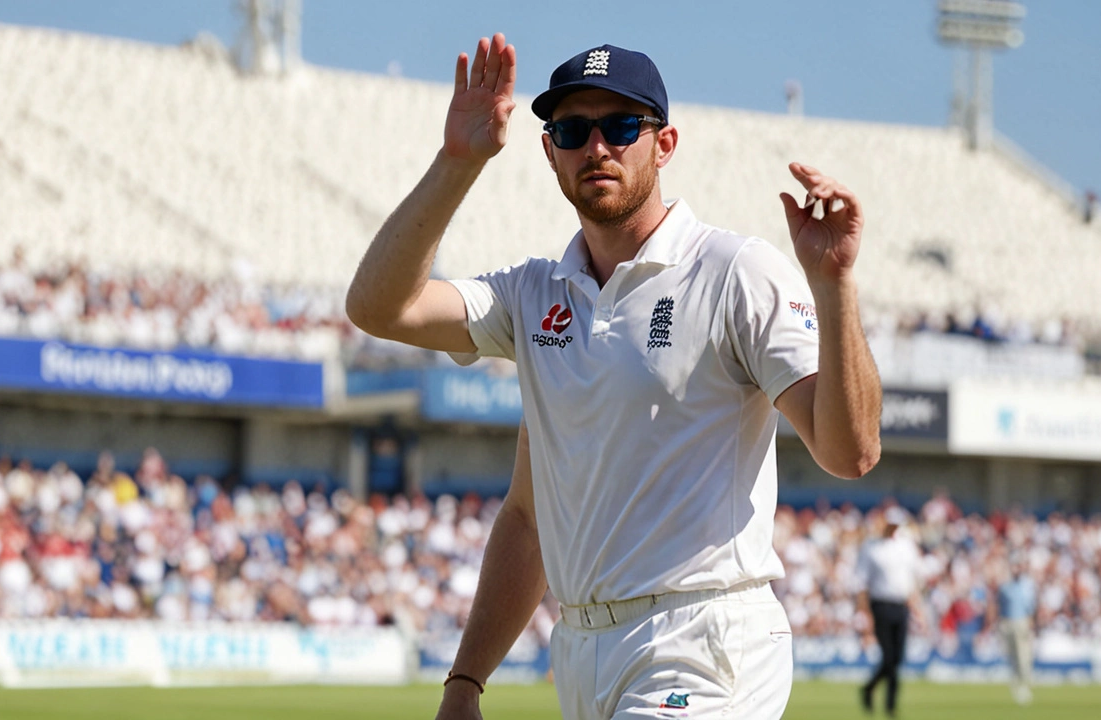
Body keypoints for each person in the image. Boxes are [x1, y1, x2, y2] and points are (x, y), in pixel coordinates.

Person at [345, 35, 882, 720]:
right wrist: (465, 682)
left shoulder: (733, 270)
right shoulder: (532, 294)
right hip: (581, 651)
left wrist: (834, 285)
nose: (596, 146)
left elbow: (851, 451)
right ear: (548, 151)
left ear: (664, 143)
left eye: (621, 126)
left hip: (703, 636)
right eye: (572, 129)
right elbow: (380, 309)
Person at [857, 506, 922, 717]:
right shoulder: (872, 547)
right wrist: (864, 612)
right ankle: (890, 706)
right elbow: (862, 583)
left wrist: (917, 608)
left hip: (900, 605)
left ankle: (871, 689)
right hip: (881, 605)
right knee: (889, 656)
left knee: (897, 658)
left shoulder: (906, 547)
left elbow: (911, 581)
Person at [997, 558, 1037, 705]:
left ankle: (1024, 684)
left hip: (1022, 623)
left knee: (1023, 656)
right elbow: (999, 606)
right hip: (1007, 623)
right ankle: (1015, 684)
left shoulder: (1027, 586)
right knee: (1012, 656)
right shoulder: (1005, 587)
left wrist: (1031, 623)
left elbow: (1030, 608)